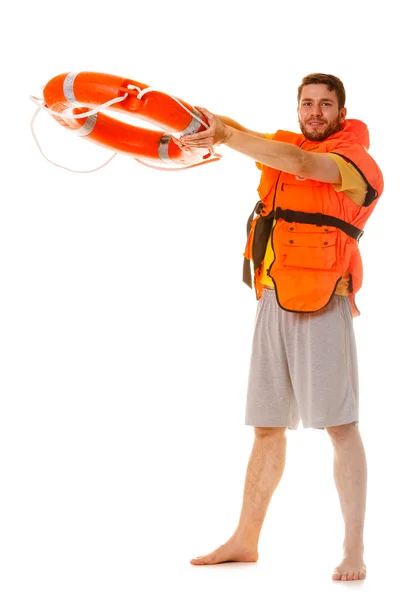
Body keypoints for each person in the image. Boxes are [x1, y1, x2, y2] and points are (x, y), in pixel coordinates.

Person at [178, 73, 384, 582]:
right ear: (298, 109)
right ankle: (245, 539)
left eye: (325, 105)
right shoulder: (283, 142)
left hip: (323, 304)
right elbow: (242, 132)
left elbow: (297, 164)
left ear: (341, 111)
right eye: (307, 104)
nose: (314, 112)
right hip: (272, 297)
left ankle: (354, 549)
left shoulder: (354, 164)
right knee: (266, 427)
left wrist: (226, 136)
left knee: (341, 427)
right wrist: (198, 119)